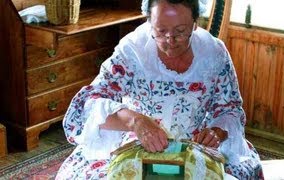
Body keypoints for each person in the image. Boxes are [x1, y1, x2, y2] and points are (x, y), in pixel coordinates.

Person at [56, 0, 264, 179]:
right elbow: (90, 102)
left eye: (180, 32)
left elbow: (230, 108)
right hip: (138, 142)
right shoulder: (133, 52)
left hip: (197, 145)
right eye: (160, 31)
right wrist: (135, 120)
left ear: (195, 24)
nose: (170, 41)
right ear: (149, 22)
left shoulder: (214, 53)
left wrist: (216, 132)